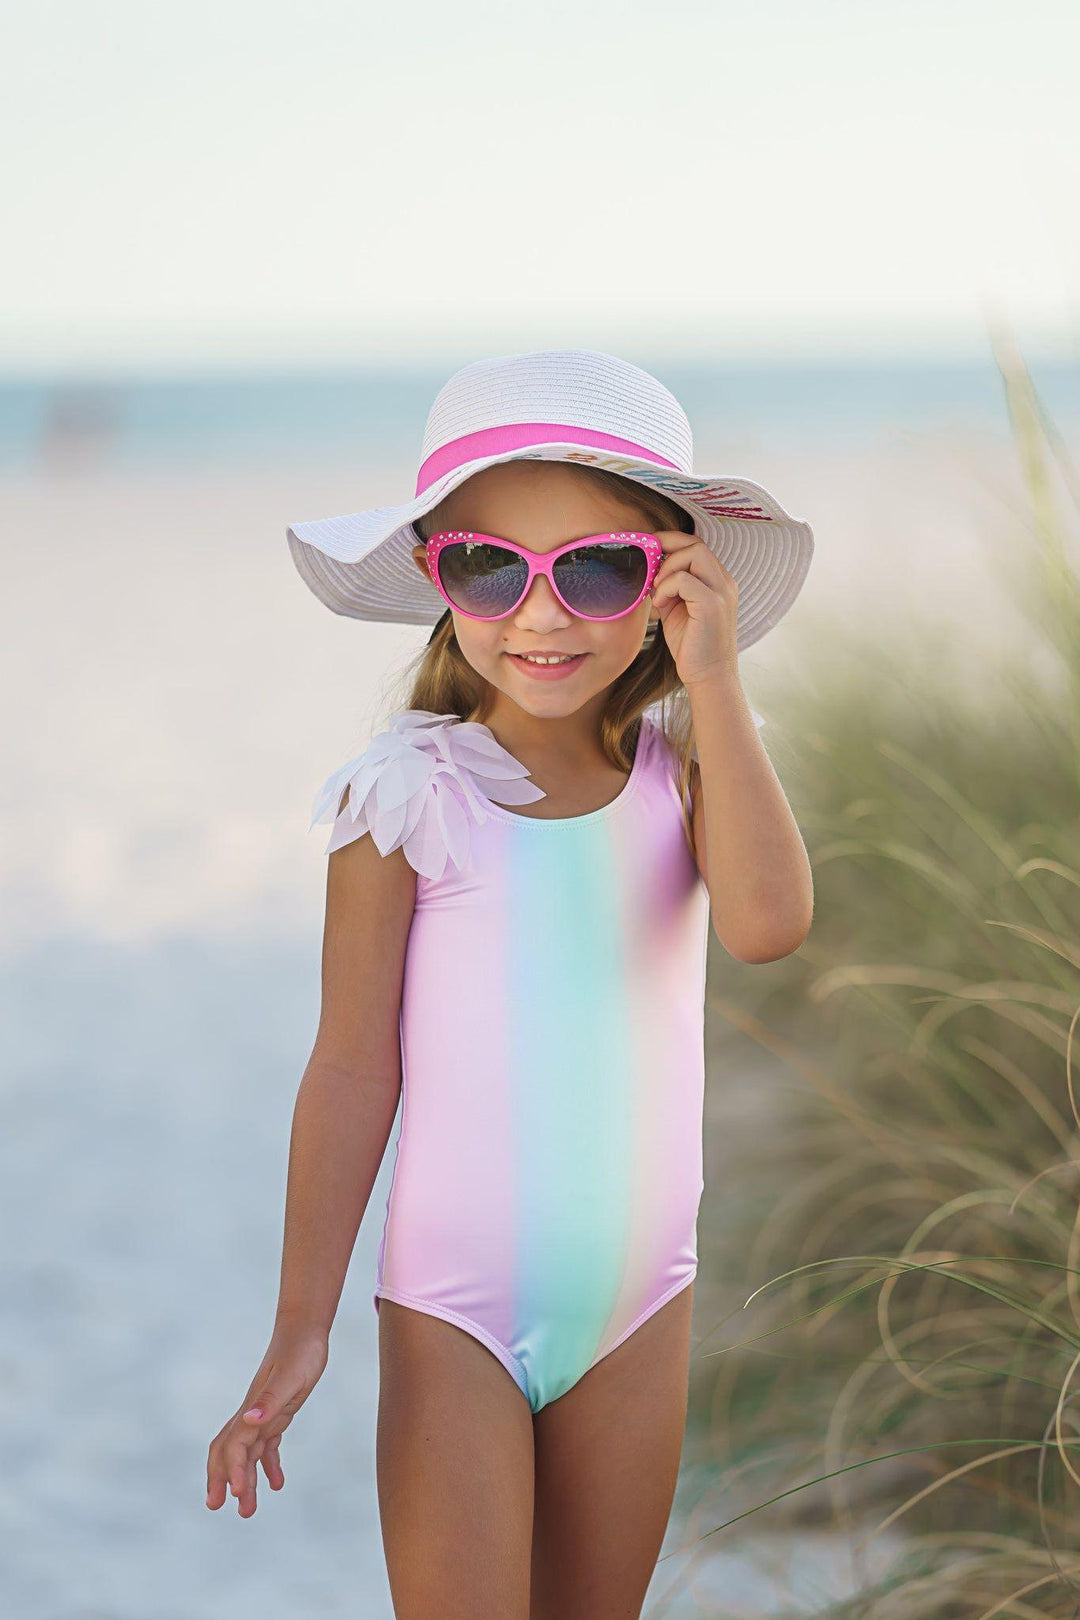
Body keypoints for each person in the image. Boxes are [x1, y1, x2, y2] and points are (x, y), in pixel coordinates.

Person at [205, 347, 816, 1617]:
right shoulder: (405, 796)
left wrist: (719, 679)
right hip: (452, 1310)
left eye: (598, 570)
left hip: (640, 1301)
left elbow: (768, 925)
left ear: (668, 584)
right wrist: (301, 1321)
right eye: (490, 567)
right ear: (438, 576)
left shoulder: (687, 775)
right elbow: (353, 1063)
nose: (540, 618)